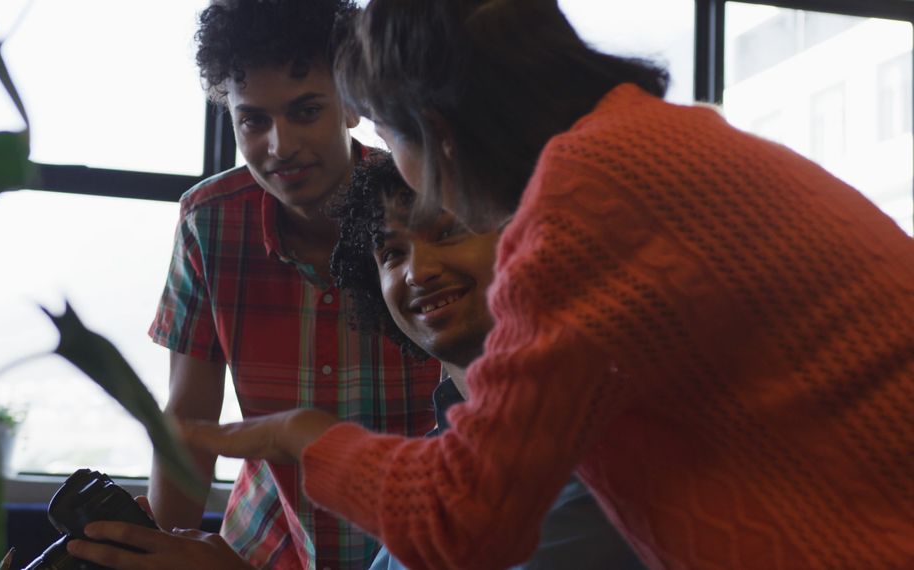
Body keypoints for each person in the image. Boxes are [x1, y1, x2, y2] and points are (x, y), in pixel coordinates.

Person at [178, 1, 914, 569]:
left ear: (436, 134)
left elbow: (462, 523)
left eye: (382, 134)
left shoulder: (585, 201)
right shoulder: (660, 143)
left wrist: (300, 436)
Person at [134, 1, 440, 568]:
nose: (280, 146)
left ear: (351, 105)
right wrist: (158, 550)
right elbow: (189, 422)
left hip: (412, 548)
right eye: (254, 120)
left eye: (306, 110)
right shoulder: (210, 223)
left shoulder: (426, 208)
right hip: (267, 548)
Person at [331, 152, 643, 569]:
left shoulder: (602, 438)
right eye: (392, 253)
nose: (418, 272)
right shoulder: (439, 458)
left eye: (446, 234)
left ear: (525, 236)